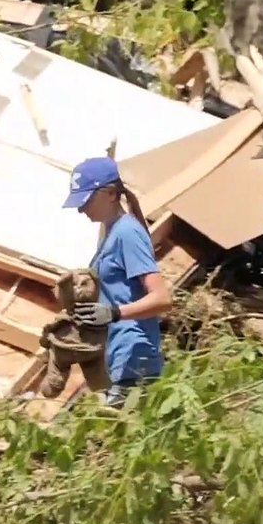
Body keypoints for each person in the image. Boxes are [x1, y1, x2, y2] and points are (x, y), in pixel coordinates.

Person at [61, 156, 173, 407]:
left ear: (111, 194)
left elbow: (162, 299)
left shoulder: (127, 233)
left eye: (87, 201)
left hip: (134, 356)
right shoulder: (111, 233)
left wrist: (114, 313)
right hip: (118, 357)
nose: (82, 209)